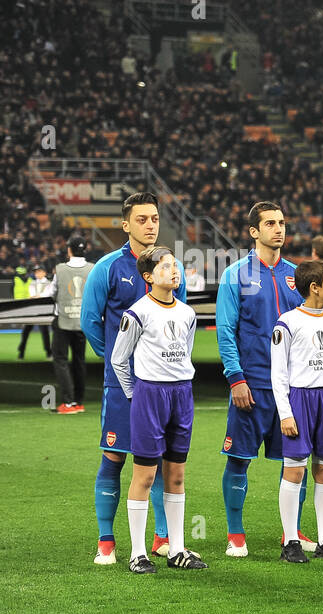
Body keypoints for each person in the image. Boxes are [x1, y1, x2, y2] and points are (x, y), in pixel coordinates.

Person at [82, 192, 185, 565]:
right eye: (141, 219)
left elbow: (180, 317)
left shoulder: (173, 268)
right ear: (126, 224)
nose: (150, 225)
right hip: (123, 386)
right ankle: (106, 541)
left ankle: (161, 539)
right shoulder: (108, 267)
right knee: (114, 457)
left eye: (154, 218)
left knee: (159, 460)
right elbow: (91, 322)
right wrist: (117, 362)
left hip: (163, 386)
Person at [216, 201, 306, 557]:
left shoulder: (298, 275)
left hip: (293, 388)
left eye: (282, 222)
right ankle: (235, 534)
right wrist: (236, 378)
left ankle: (292, 533)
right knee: (239, 458)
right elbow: (225, 329)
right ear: (254, 232)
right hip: (252, 383)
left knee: (296, 462)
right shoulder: (235, 274)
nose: (279, 229)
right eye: (270, 223)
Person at [109, 247, 205, 572]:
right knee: (146, 475)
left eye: (174, 265)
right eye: (165, 266)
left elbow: (186, 355)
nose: (173, 270)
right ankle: (138, 553)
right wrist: (136, 395)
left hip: (182, 394)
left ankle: (176, 549)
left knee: (176, 474)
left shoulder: (188, 313)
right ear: (149, 277)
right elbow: (118, 359)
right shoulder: (137, 313)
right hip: (149, 395)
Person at [270, 260, 323, 564]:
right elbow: (278, 373)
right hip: (299, 401)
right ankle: (291, 541)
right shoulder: (288, 322)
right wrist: (285, 413)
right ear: (314, 287)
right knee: (295, 470)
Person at [51, 237, 89, 414]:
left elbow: (52, 292)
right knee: (79, 361)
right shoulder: (93, 269)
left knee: (61, 360)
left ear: (69, 250)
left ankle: (68, 402)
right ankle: (79, 402)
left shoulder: (60, 269)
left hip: (63, 320)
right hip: (83, 322)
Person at [17, 265, 53, 359]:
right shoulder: (32, 283)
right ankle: (21, 352)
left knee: (45, 332)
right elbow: (33, 294)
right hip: (32, 311)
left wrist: (37, 296)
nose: (37, 273)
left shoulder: (49, 283)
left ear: (44, 272)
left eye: (39, 271)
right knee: (25, 332)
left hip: (43, 311)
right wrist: (38, 296)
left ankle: (48, 352)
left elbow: (47, 295)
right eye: (36, 272)